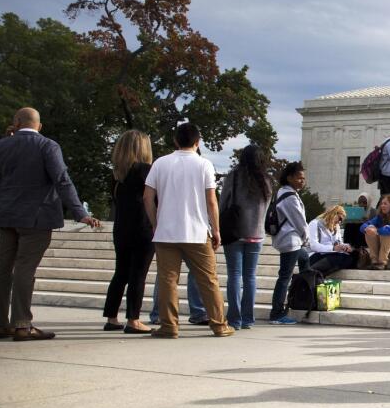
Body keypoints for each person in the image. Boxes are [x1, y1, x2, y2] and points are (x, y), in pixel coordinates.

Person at [0, 107, 99, 340]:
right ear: (39, 126)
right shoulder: (47, 146)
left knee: (2, 270)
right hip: (36, 217)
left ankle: (2, 323)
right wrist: (79, 212)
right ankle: (22, 324)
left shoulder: (2, 146)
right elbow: (62, 180)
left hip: (4, 217)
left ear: (15, 123)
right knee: (25, 269)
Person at [142, 122, 232, 338]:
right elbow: (211, 201)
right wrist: (216, 229)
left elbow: (147, 197)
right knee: (208, 280)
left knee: (167, 280)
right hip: (196, 231)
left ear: (175, 140)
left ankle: (169, 326)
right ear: (197, 141)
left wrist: (155, 223)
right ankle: (219, 325)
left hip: (166, 231)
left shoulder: (160, 163)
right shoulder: (204, 165)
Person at [102, 130, 155, 334]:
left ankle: (111, 317)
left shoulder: (117, 174)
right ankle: (133, 319)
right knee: (138, 275)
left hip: (121, 228)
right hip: (143, 227)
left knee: (120, 273)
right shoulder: (146, 170)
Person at [220, 143, 272, 330]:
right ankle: (248, 318)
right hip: (256, 233)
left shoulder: (234, 176)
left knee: (234, 275)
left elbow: (223, 201)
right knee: (250, 276)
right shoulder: (266, 180)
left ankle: (234, 318)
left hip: (234, 231)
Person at [268, 161, 310, 325]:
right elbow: (299, 221)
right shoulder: (290, 197)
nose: (302, 181)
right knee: (284, 276)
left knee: (305, 259)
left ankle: (302, 292)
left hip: (290, 240)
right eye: (299, 178)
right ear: (289, 177)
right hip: (291, 240)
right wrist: (306, 238)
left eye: (303, 178)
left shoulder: (282, 192)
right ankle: (277, 313)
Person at [307, 205, 356, 273]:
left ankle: (319, 273)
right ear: (333, 214)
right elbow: (314, 246)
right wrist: (333, 248)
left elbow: (338, 243)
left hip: (331, 254)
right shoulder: (315, 224)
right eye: (340, 219)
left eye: (341, 221)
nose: (339, 222)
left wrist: (345, 246)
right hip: (315, 255)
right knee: (338, 258)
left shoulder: (336, 227)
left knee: (351, 257)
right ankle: (313, 272)